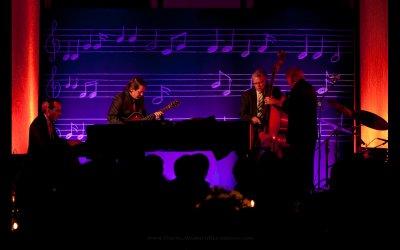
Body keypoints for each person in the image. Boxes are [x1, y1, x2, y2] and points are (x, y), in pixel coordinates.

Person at [268, 67, 317, 198]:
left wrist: (276, 102)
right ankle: (307, 191)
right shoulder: (308, 87)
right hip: (309, 134)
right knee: (307, 165)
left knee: (301, 167)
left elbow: (292, 108)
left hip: (301, 136)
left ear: (293, 77)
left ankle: (301, 195)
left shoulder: (299, 89)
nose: (288, 82)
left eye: (287, 79)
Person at [240, 68, 282, 149]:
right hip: (254, 130)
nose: (258, 85)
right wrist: (252, 118)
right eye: (256, 83)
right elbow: (242, 114)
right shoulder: (246, 95)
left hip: (271, 128)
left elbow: (283, 106)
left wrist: (275, 101)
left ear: (265, 80)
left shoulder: (274, 90)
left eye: (261, 82)